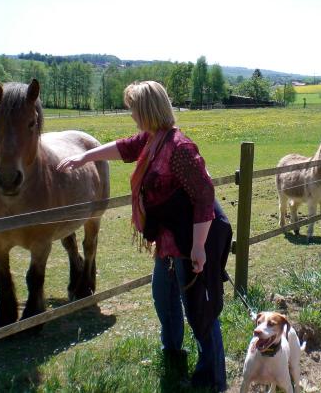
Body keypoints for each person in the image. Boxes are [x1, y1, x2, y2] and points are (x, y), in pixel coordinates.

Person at [57, 81, 228, 392]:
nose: (131, 115)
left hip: (189, 244)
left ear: (147, 110)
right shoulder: (152, 140)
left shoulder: (179, 148)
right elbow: (122, 147)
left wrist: (200, 248)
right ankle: (173, 354)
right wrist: (85, 157)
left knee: (199, 312)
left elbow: (205, 197)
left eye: (134, 109)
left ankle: (212, 377)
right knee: (165, 300)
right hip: (166, 244)